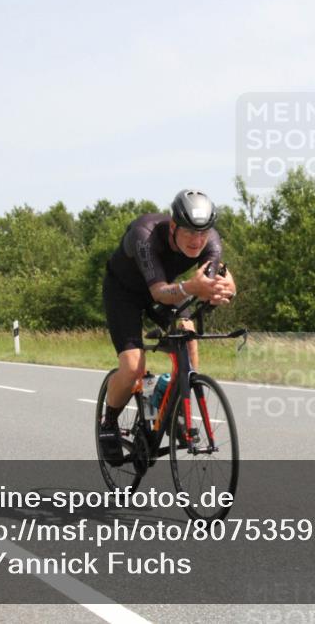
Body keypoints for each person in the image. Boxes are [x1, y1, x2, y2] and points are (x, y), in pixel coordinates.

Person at [99, 190, 237, 461]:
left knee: (188, 337)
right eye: (189, 233)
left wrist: (225, 289)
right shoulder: (145, 234)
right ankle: (109, 424)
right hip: (124, 293)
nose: (198, 241)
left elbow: (222, 278)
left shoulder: (210, 242)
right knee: (132, 367)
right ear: (173, 226)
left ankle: (175, 411)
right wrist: (191, 288)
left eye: (203, 233)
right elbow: (160, 292)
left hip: (168, 290)